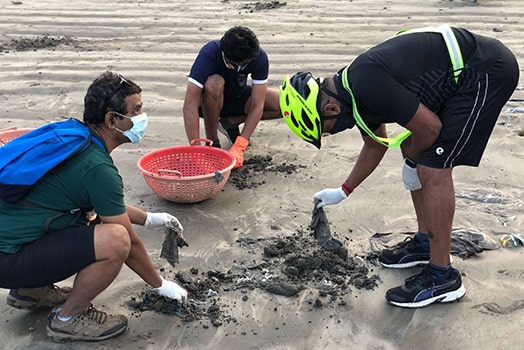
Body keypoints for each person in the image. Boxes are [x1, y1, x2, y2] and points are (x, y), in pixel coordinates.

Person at [279, 25, 519, 308]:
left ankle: (443, 277)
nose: (331, 134)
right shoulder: (352, 91)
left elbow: (430, 130)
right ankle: (424, 242)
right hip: (459, 76)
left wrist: (411, 163)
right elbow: (376, 143)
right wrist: (344, 191)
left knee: (432, 167)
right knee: (412, 148)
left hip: (486, 71)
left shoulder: (367, 84)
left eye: (326, 130)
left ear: (330, 109)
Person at [0, 71, 188, 342]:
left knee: (86, 219)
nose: (141, 118)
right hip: (7, 258)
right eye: (135, 111)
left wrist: (150, 218)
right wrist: (160, 285)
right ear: (112, 119)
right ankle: (68, 319)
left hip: (11, 243)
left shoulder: (75, 134)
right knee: (115, 239)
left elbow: (103, 203)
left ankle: (32, 290)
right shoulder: (98, 168)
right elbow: (129, 243)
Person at [183, 25, 281, 169]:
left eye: (241, 66)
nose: (235, 69)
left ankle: (230, 122)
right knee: (214, 83)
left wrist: (241, 145)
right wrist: (196, 150)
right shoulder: (210, 52)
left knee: (283, 103)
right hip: (208, 104)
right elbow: (189, 105)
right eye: (232, 65)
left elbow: (257, 105)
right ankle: (212, 143)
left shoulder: (259, 57)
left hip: (237, 97)